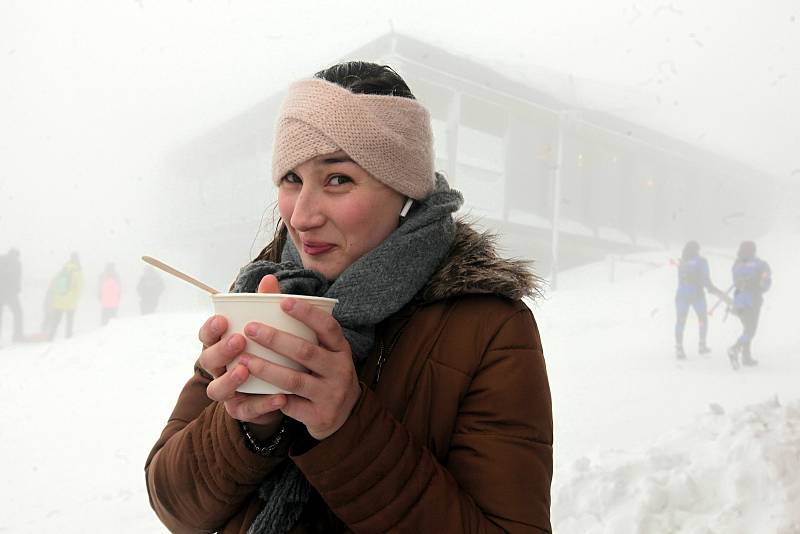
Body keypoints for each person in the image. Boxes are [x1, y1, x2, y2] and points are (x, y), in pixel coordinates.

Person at [145, 62, 553, 533]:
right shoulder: (263, 293)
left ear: (403, 188)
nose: (301, 216)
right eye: (291, 179)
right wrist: (249, 426)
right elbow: (175, 508)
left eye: (337, 179)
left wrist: (347, 427)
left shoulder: (488, 327)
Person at [674, 240, 723, 359]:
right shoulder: (701, 261)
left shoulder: (682, 262)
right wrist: (711, 288)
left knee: (680, 321)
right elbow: (705, 279)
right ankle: (702, 345)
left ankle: (679, 347)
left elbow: (680, 279)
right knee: (702, 319)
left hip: (681, 295)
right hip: (697, 295)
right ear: (697, 250)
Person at [727, 241, 771, 368]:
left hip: (739, 300)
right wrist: (761, 287)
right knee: (750, 330)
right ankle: (735, 348)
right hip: (753, 300)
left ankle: (746, 357)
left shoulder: (737, 264)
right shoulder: (761, 264)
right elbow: (765, 282)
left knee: (747, 327)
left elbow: (735, 282)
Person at [44, 252, 84, 340]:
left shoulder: (64, 268)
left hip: (59, 299)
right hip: (70, 300)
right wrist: (75, 297)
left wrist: (56, 295)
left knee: (56, 320)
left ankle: (50, 336)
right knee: (69, 320)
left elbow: (55, 283)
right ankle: (68, 337)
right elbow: (79, 287)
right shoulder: (77, 271)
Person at [0, 248, 24, 343]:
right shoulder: (16, 264)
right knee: (18, 313)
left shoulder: (1, 259)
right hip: (10, 294)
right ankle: (17, 335)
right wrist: (17, 289)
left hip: (2, 292)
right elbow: (17, 278)